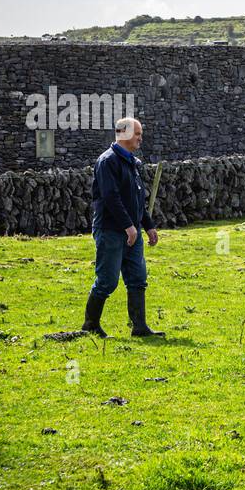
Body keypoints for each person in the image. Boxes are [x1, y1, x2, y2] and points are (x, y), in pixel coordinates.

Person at [81, 117, 164, 338]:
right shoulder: (108, 161)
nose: (140, 138)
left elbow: (136, 199)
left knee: (138, 278)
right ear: (125, 134)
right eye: (137, 134)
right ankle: (90, 325)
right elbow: (111, 197)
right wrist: (128, 226)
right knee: (107, 280)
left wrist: (148, 226)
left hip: (133, 232)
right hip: (110, 231)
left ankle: (139, 327)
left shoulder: (131, 163)